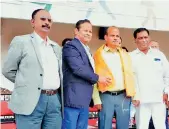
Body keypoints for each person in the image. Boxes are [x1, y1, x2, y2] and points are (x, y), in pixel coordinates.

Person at [2, 9, 63, 129]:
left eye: (49, 20)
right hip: (30, 100)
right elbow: (8, 70)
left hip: (54, 101)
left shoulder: (55, 47)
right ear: (32, 22)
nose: (47, 22)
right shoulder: (21, 41)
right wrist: (29, 84)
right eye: (43, 19)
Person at [62, 19, 111, 129]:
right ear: (76, 31)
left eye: (90, 31)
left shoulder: (86, 49)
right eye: (85, 31)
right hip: (73, 98)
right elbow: (78, 68)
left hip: (84, 98)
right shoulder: (71, 46)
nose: (88, 33)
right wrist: (98, 78)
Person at [93, 26, 136, 129]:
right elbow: (93, 77)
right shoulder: (98, 55)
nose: (116, 38)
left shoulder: (125, 55)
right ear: (106, 37)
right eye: (112, 35)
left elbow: (131, 75)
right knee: (105, 125)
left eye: (117, 36)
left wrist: (134, 94)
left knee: (123, 126)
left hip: (123, 96)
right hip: (105, 96)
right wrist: (96, 98)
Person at [130, 28, 169, 129]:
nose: (144, 40)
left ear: (149, 38)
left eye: (146, 37)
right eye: (140, 38)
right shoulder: (131, 56)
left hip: (159, 99)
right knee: (142, 126)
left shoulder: (159, 55)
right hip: (141, 100)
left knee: (161, 126)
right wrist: (134, 96)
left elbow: (167, 75)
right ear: (135, 40)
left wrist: (166, 92)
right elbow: (130, 78)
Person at [148, 40, 169, 129]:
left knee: (160, 123)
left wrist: (166, 93)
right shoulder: (143, 60)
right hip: (146, 99)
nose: (154, 49)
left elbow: (167, 78)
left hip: (160, 98)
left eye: (156, 47)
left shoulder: (163, 59)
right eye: (152, 47)